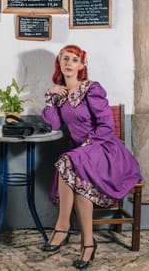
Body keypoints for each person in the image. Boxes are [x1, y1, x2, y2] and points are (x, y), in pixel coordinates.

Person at [41, 45, 142, 269]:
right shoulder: (62, 96)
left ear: (82, 66)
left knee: (67, 161)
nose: (69, 63)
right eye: (65, 58)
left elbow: (107, 126)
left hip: (104, 149)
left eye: (75, 60)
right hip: (81, 154)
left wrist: (86, 147)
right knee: (78, 179)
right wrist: (49, 98)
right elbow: (54, 125)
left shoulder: (91, 89)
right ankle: (88, 244)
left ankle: (62, 227)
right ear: (59, 62)